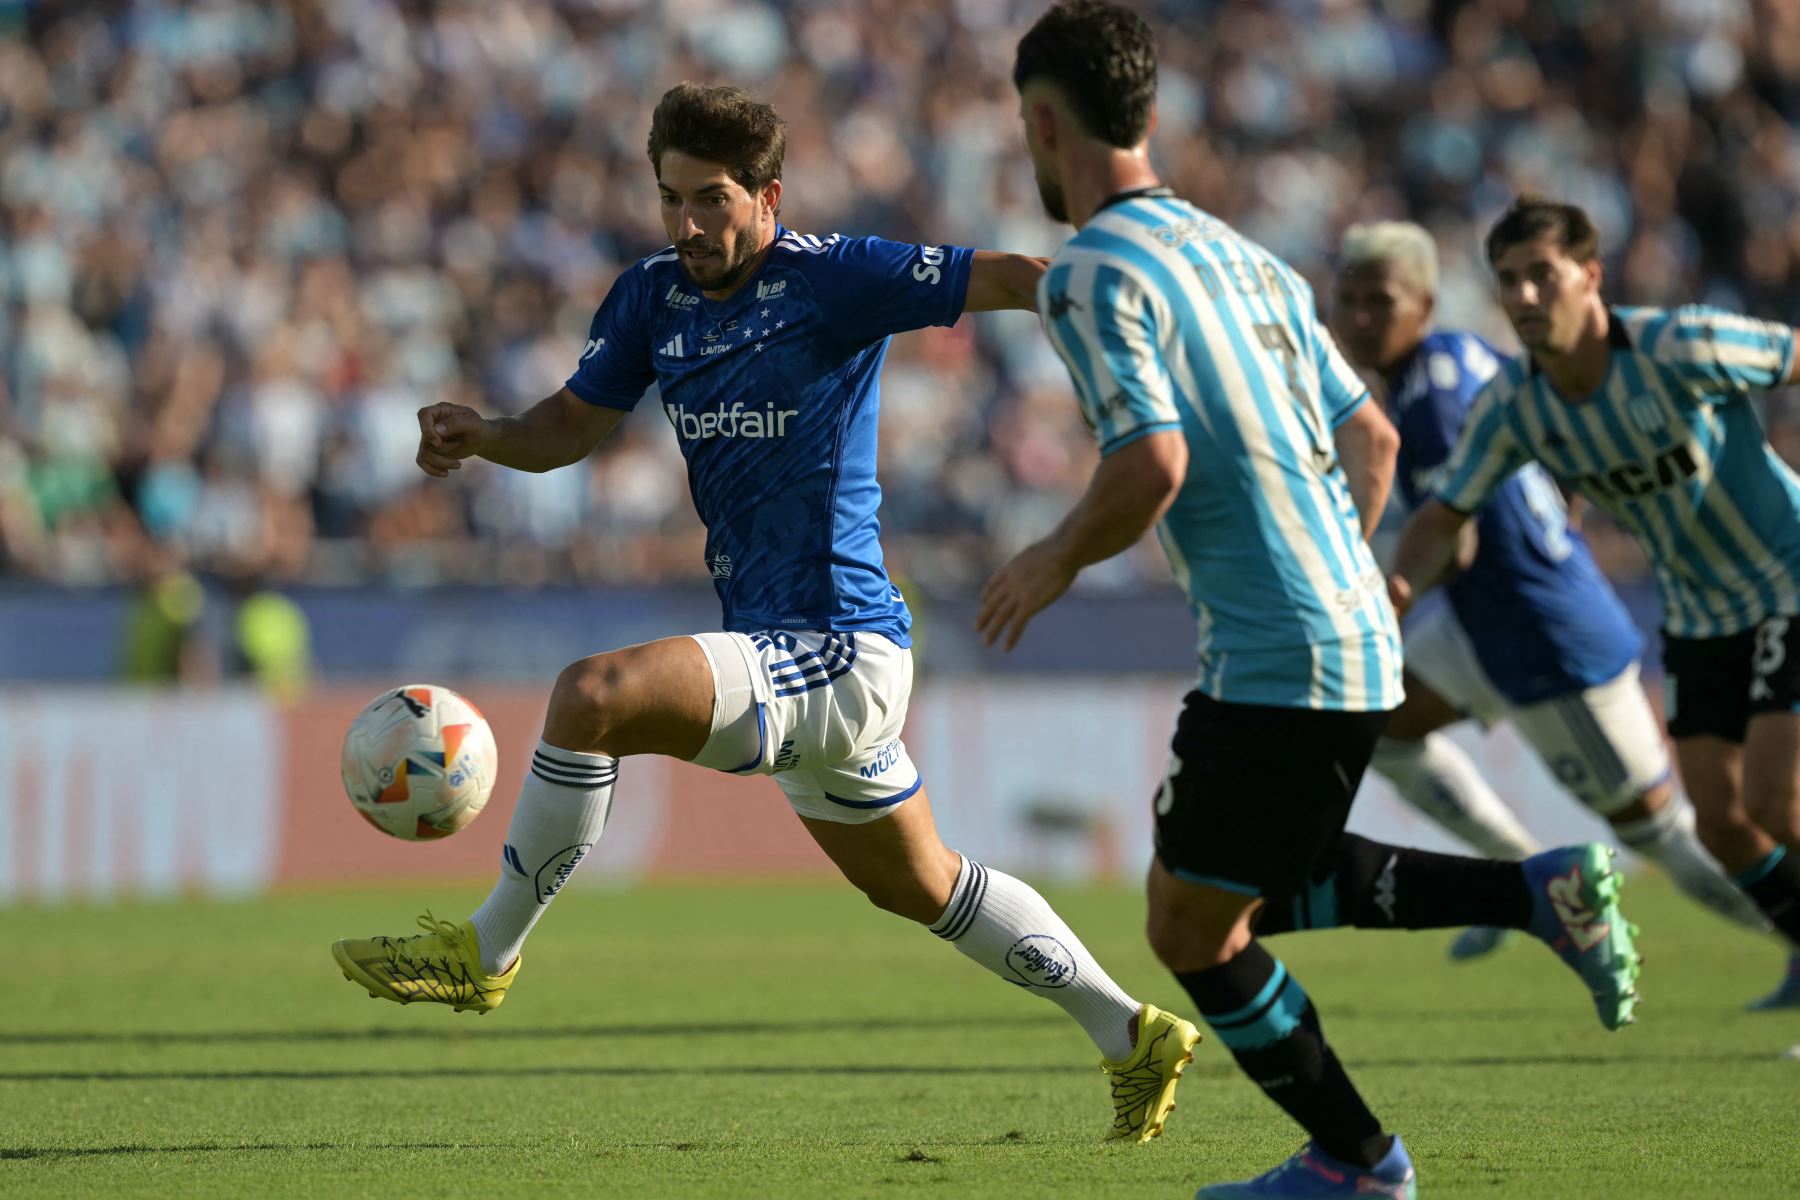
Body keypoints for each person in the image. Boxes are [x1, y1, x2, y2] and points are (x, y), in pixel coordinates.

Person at [331, 81, 1201, 1143]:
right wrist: (486, 435)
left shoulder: (836, 277)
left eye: (711, 201)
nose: (688, 224)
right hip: (777, 645)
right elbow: (569, 426)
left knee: (591, 696)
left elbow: (1017, 279)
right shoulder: (652, 297)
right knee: (924, 886)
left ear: (767, 195)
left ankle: (489, 952)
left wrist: (1139, 305)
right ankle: (1131, 1032)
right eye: (671, 200)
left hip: (839, 642)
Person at [997, 6, 1642, 1196]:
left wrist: (1048, 559)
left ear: (1045, 122)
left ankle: (1359, 1165)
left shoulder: (1091, 270)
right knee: (1253, 878)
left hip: (1276, 648)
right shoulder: (1245, 255)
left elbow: (1150, 466)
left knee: (1190, 926)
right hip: (1354, 633)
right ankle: (1535, 892)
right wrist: (1332, 566)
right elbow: (1376, 439)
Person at [1332, 221, 1785, 991]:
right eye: (1348, 302)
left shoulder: (1433, 403)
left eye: (1381, 301)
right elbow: (1543, 442)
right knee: (1378, 723)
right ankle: (1523, 876)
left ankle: (1788, 933)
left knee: (1673, 835)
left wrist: (1384, 593)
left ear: (1427, 304)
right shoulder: (1475, 369)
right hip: (1491, 625)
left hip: (1545, 640)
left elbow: (1460, 542)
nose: (1360, 319)